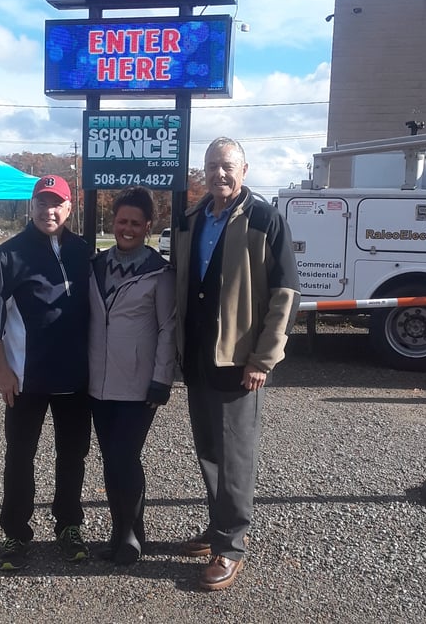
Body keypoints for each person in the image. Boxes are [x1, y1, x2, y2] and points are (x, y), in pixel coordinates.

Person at [174, 137, 300, 591]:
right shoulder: (190, 220)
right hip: (199, 357)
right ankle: (218, 526)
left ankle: (230, 547)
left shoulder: (265, 219)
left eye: (227, 166)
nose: (218, 175)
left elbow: (285, 295)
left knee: (235, 457)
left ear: (244, 170)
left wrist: (263, 359)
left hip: (239, 360)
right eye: (211, 167)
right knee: (209, 449)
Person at [0, 175, 92, 571]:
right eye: (42, 203)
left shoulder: (82, 252)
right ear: (31, 206)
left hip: (76, 379)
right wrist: (1, 370)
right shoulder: (8, 255)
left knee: (73, 455)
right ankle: (15, 532)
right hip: (25, 381)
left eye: (57, 203)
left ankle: (69, 525)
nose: (49, 211)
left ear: (69, 207)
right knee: (20, 456)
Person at [88, 187, 176, 565]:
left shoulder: (159, 272)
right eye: (122, 221)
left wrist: (162, 379)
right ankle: (120, 529)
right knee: (111, 459)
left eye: (135, 223)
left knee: (125, 457)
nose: (127, 228)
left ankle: (130, 534)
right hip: (97, 383)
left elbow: (168, 329)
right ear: (113, 222)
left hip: (139, 385)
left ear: (148, 226)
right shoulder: (95, 265)